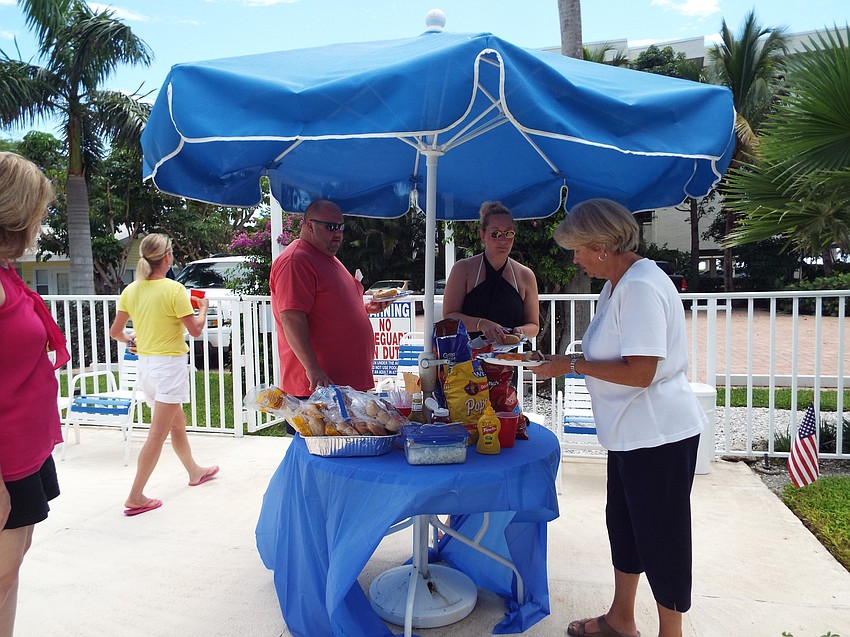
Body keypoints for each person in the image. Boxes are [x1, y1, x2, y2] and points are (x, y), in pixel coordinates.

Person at [534, 198, 705, 637]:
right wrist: (563, 360)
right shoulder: (617, 284)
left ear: (604, 245)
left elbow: (642, 371)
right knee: (626, 528)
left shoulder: (641, 286)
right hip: (630, 434)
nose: (575, 258)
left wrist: (570, 366)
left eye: (578, 249)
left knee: (663, 539)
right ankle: (621, 619)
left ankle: (671, 632)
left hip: (658, 434)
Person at [0, 151, 68, 636]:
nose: (40, 225)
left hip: (24, 451)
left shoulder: (6, 271)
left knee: (11, 566)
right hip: (3, 463)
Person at [109, 234, 219, 517]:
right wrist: (203, 311)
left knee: (176, 424)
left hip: (146, 366)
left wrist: (129, 339)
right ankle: (135, 496)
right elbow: (195, 330)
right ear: (167, 257)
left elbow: (115, 332)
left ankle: (195, 471)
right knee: (157, 435)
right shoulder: (174, 290)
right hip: (169, 367)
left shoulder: (131, 290)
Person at [269, 199, 391, 397]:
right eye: (331, 227)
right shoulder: (296, 260)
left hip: (344, 387)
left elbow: (328, 307)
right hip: (317, 389)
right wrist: (313, 369)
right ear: (309, 225)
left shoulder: (326, 258)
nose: (338, 234)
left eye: (341, 227)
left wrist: (365, 308)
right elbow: (291, 317)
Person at [442, 201, 539, 343]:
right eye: (496, 234)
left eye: (509, 233)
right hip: (468, 359)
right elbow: (449, 317)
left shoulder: (525, 275)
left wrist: (521, 331)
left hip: (510, 358)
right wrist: (481, 324)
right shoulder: (463, 269)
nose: (503, 240)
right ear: (483, 235)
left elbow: (534, 326)